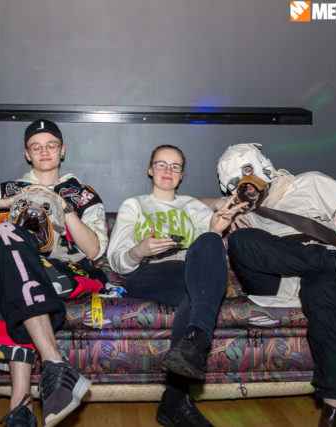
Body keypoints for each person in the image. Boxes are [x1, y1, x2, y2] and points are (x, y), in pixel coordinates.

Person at [205, 143, 336, 427]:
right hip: (276, 280)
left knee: (322, 287)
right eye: (235, 181)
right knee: (240, 239)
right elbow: (195, 203)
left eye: (247, 172)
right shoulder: (242, 209)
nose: (244, 184)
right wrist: (220, 206)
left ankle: (334, 410)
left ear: (263, 166)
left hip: (322, 275)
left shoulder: (309, 182)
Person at [0, 119, 108, 427]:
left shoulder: (83, 195)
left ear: (62, 151)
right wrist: (8, 202)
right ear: (27, 154)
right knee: (7, 240)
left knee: (12, 277)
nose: (44, 151)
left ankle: (21, 404)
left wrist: (63, 207)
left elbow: (94, 251)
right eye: (36, 147)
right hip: (25, 268)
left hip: (69, 271)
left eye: (51, 145)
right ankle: (54, 366)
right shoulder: (8, 189)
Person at [106, 145, 245, 427]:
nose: (167, 171)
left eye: (175, 167)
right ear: (150, 170)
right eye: (161, 164)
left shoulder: (194, 206)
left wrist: (215, 229)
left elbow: (209, 255)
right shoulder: (135, 205)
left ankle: (176, 397)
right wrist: (140, 250)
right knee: (198, 288)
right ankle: (181, 385)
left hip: (190, 272)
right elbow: (116, 260)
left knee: (208, 247)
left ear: (181, 175)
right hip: (149, 271)